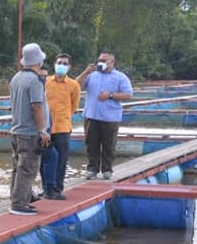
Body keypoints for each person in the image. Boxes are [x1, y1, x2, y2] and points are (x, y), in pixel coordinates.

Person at [8, 42, 51, 216]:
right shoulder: (34, 81)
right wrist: (42, 130)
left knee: (17, 168)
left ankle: (19, 197)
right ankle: (19, 204)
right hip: (29, 132)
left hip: (16, 130)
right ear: (38, 61)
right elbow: (37, 107)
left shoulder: (16, 77)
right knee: (28, 169)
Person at [76, 50, 133, 179]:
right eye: (99, 60)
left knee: (108, 145)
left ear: (112, 62)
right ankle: (92, 169)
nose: (100, 63)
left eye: (104, 60)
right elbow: (75, 85)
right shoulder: (92, 75)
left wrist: (111, 95)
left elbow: (128, 94)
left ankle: (107, 169)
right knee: (91, 144)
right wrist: (86, 72)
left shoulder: (120, 77)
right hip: (91, 115)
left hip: (110, 117)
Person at [42, 52, 80, 199]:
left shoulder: (73, 85)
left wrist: (62, 116)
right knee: (45, 159)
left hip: (63, 127)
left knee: (61, 160)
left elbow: (74, 107)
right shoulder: (45, 82)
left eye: (65, 64)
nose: (61, 66)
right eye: (59, 63)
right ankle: (46, 188)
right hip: (46, 127)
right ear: (54, 65)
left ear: (69, 67)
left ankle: (57, 188)